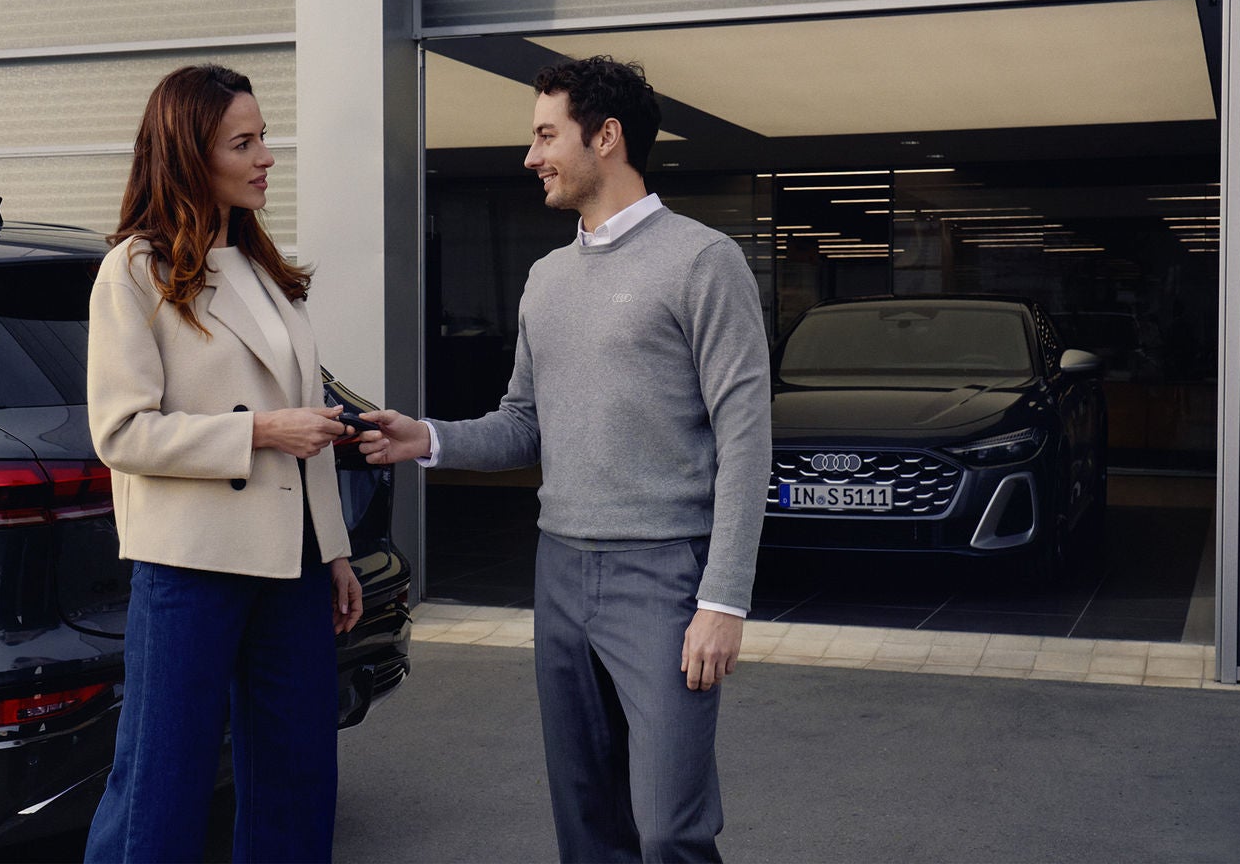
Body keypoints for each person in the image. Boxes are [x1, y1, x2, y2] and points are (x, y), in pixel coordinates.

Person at [360, 55, 769, 864]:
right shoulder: (546, 278)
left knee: (670, 828)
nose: (531, 155)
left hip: (663, 576)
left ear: (607, 137)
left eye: (547, 134)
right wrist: (427, 438)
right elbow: (522, 426)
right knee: (587, 823)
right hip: (561, 570)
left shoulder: (701, 261)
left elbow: (746, 436)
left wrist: (724, 600)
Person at [83, 62, 365, 864]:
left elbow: (304, 419)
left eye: (263, 136)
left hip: (294, 564)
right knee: (159, 788)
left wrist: (334, 548)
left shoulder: (270, 270)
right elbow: (122, 433)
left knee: (298, 778)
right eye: (243, 142)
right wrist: (258, 432)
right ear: (188, 154)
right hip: (190, 565)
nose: (266, 155)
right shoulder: (134, 272)